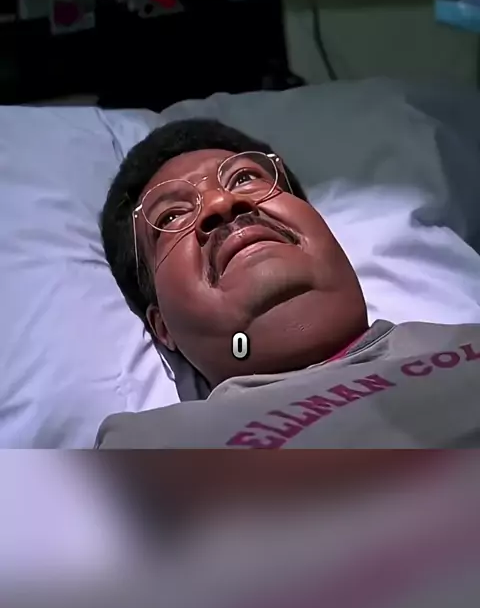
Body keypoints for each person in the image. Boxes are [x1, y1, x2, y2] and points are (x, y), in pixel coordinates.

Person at [97, 118, 480, 449]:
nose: (221, 203)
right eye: (172, 215)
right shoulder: (148, 446)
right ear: (162, 326)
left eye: (245, 178)